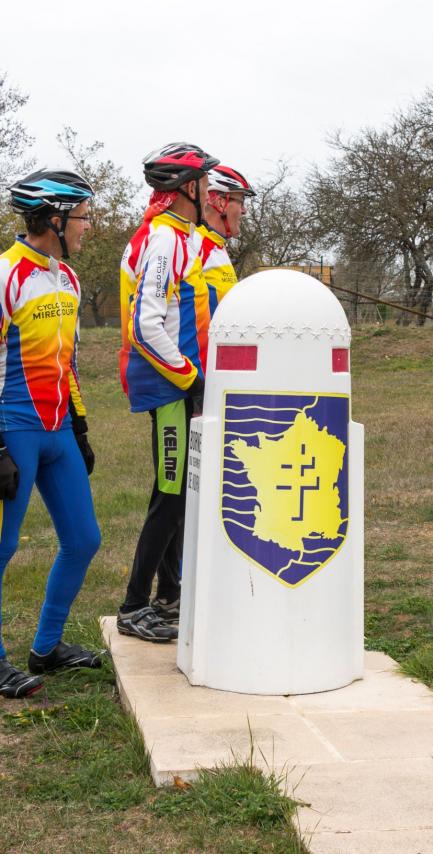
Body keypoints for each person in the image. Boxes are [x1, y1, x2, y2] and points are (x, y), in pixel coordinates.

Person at [0, 169, 103, 699]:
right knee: (2, 545)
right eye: (83, 216)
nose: (89, 226)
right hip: (12, 428)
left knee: (84, 539)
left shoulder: (68, 279)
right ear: (54, 219)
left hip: (58, 428)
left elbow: (70, 363)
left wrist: (79, 427)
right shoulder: (7, 275)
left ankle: (47, 647)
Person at [117, 142, 218, 643]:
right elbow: (145, 325)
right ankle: (134, 605)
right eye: (204, 183)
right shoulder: (164, 240)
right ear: (187, 190)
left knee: (175, 493)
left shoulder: (181, 235)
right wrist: (190, 378)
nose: (210, 190)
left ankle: (161, 595)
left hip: (177, 381)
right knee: (171, 494)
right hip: (167, 385)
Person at [196, 164, 255, 315]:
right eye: (241, 202)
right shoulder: (194, 245)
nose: (244, 211)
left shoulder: (218, 246)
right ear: (221, 203)